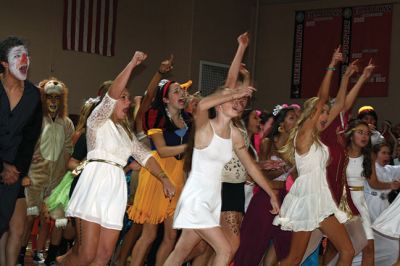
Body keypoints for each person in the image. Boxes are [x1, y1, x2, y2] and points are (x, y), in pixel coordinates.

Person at [60, 51, 175, 266]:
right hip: (94, 185)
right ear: (109, 101)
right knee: (86, 255)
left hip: (116, 190)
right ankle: (62, 261)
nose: (129, 102)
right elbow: (113, 93)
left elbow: (146, 156)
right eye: (124, 97)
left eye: (129, 98)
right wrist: (132, 64)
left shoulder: (127, 134)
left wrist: (164, 177)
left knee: (103, 256)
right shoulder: (98, 121)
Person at [164, 82, 280, 266]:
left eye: (241, 102)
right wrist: (235, 92)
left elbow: (250, 166)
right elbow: (202, 105)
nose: (238, 103)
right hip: (197, 199)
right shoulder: (205, 126)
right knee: (225, 250)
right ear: (219, 104)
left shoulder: (235, 134)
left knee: (180, 252)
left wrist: (271, 193)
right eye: (232, 100)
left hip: (213, 201)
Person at [273, 46, 355, 266]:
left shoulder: (316, 136)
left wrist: (349, 77)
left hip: (320, 198)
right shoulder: (305, 133)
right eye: (322, 112)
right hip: (306, 198)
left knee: (347, 250)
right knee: (293, 259)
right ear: (312, 113)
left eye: (327, 114)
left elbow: (339, 104)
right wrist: (332, 65)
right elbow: (323, 98)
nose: (326, 116)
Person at [127, 78, 192, 266]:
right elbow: (162, 150)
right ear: (165, 99)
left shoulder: (188, 120)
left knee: (171, 235)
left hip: (178, 176)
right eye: (175, 92)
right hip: (158, 174)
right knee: (149, 234)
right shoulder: (157, 118)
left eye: (182, 91)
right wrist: (191, 146)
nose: (181, 94)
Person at [0, 36, 42, 266]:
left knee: (9, 225)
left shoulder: (34, 95)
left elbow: (30, 138)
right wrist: (3, 167)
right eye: (18, 55)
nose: (25, 60)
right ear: (4, 63)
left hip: (13, 175)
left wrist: (15, 169)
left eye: (26, 55)